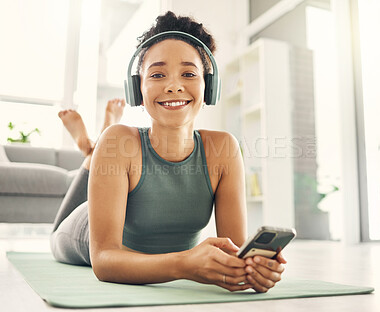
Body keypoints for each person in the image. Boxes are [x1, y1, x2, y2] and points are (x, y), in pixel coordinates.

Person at [51, 11, 286, 293]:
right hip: (82, 229)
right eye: (157, 74)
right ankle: (92, 148)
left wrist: (252, 268)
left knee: (107, 146)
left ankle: (91, 148)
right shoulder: (119, 143)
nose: (174, 85)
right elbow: (103, 261)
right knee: (108, 145)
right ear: (137, 88)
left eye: (188, 73)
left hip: (114, 166)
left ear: (208, 86)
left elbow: (233, 251)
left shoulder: (224, 149)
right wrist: (185, 265)